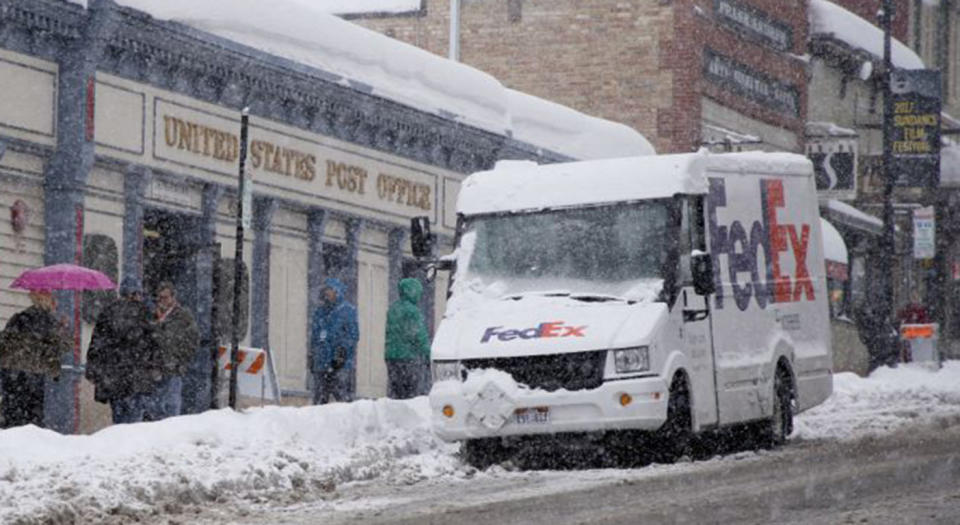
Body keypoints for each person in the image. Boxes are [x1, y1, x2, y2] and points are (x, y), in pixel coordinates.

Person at [85, 286, 161, 424]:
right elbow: (154, 345)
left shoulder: (108, 312)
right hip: (137, 377)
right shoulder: (144, 313)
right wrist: (154, 368)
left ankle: (119, 442)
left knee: (119, 420)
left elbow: (96, 345)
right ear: (136, 294)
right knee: (134, 420)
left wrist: (92, 371)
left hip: (114, 378)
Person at [0, 290, 69, 428]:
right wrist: (63, 328)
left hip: (12, 374)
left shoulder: (18, 318)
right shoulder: (50, 323)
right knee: (32, 419)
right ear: (48, 300)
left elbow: (3, 344)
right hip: (34, 375)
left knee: (11, 416)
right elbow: (61, 348)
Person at [146, 282, 198, 420]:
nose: (162, 301)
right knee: (154, 406)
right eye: (159, 298)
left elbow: (193, 340)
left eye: (165, 297)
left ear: (173, 298)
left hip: (173, 369)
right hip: (154, 369)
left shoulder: (183, 316)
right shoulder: (152, 316)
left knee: (172, 405)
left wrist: (181, 360)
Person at [309, 278, 358, 404]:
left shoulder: (347, 311)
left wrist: (342, 352)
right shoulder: (320, 312)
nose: (327, 293)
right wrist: (312, 354)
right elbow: (315, 335)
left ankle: (347, 422)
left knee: (342, 398)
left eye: (330, 290)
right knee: (319, 400)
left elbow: (353, 335)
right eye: (326, 290)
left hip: (339, 363)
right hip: (321, 362)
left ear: (337, 292)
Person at [384, 278, 431, 399]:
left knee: (396, 391)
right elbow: (418, 335)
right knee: (410, 394)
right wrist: (428, 354)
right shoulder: (412, 311)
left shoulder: (393, 308)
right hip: (408, 357)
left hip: (391, 356)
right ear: (412, 292)